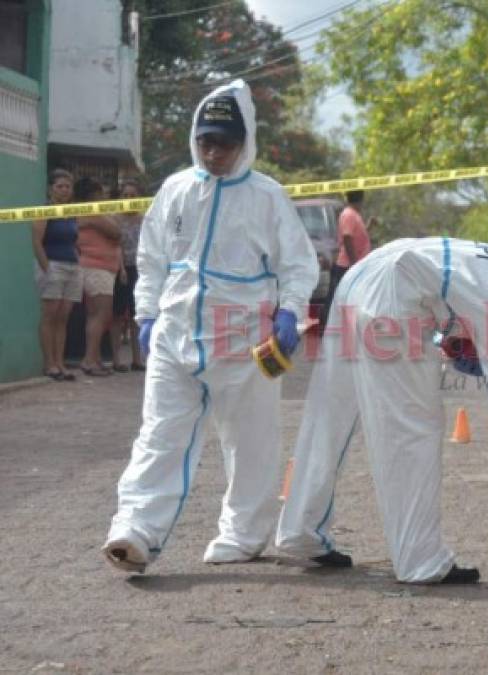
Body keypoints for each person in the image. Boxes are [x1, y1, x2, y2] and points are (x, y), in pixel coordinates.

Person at [276, 237, 488, 583]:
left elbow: (457, 292)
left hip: (364, 276)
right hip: (393, 295)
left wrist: (452, 342)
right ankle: (420, 561)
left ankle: (301, 533)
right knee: (413, 429)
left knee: (329, 414)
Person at [102, 79, 319, 573]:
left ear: (246, 143)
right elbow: (152, 258)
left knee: (250, 441)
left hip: (245, 341)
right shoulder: (176, 190)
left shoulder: (268, 197)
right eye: (205, 141)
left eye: (224, 142)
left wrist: (289, 310)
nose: (214, 152)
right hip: (175, 336)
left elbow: (298, 264)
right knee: (160, 434)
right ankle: (135, 528)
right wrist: (147, 314)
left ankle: (242, 535)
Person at [30, 169, 82, 381]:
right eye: (60, 186)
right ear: (51, 188)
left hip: (72, 266)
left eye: (68, 186)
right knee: (49, 316)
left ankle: (60, 363)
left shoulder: (71, 211)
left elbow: (74, 239)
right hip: (52, 265)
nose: (64, 190)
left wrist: (78, 259)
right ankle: (49, 364)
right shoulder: (44, 210)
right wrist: (47, 269)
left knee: (63, 317)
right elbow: (36, 242)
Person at [75, 176, 123, 377]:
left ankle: (93, 358)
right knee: (100, 314)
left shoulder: (92, 212)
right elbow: (116, 231)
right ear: (93, 195)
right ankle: (89, 360)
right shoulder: (91, 211)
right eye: (101, 194)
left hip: (102, 268)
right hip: (96, 267)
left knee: (97, 314)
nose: (105, 197)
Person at [320, 190, 371, 328]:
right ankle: (325, 328)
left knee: (345, 297)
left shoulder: (353, 215)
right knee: (335, 299)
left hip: (351, 264)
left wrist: (368, 228)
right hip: (346, 265)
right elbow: (347, 237)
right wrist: (355, 264)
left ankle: (344, 325)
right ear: (361, 198)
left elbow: (354, 237)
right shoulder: (349, 214)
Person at [110, 178, 145, 371]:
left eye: (133, 195)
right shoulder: (114, 218)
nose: (129, 199)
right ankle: (116, 359)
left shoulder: (145, 218)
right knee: (117, 314)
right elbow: (116, 245)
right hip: (120, 268)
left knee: (136, 315)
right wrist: (121, 268)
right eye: (125, 195)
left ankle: (137, 359)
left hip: (140, 269)